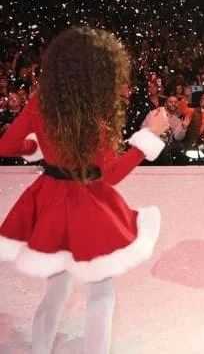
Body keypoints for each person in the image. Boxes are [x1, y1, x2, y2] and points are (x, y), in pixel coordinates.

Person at [0, 26, 169, 354]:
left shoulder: (40, 102)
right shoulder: (94, 115)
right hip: (87, 207)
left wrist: (37, 147)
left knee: (55, 292)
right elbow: (111, 175)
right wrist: (149, 135)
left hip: (50, 201)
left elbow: (6, 145)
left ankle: (39, 350)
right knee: (100, 297)